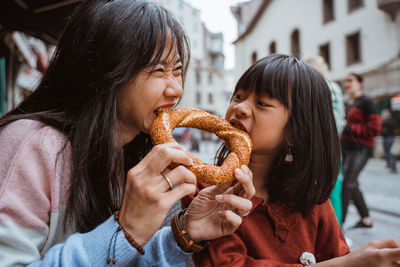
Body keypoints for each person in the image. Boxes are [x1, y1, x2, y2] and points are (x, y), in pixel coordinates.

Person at [0, 0, 255, 266]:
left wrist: (183, 235)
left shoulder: (138, 157)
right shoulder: (31, 146)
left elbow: (128, 259)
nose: (176, 90)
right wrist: (126, 229)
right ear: (105, 71)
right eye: (159, 70)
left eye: (177, 71)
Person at [183, 55, 400, 266]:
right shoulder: (207, 195)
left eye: (262, 103)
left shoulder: (313, 202)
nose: (239, 107)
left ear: (295, 134)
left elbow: (338, 254)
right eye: (238, 96)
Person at [304, 55, 345, 225]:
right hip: (334, 142)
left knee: (313, 187)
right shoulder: (335, 87)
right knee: (334, 188)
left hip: (314, 142)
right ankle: (338, 231)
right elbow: (342, 118)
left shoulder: (309, 87)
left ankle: (319, 229)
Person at [341, 73, 381, 229]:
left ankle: (340, 224)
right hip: (348, 149)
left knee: (347, 184)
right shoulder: (348, 102)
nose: (346, 84)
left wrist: (348, 127)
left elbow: (375, 128)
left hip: (361, 150)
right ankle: (366, 219)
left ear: (360, 83)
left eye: (350, 81)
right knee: (352, 183)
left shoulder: (367, 102)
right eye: (345, 81)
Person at [381, 109, 397, 173]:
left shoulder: (385, 122)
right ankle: (391, 163)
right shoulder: (393, 121)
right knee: (388, 150)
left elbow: (382, 130)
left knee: (387, 151)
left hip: (387, 138)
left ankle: (389, 163)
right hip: (392, 138)